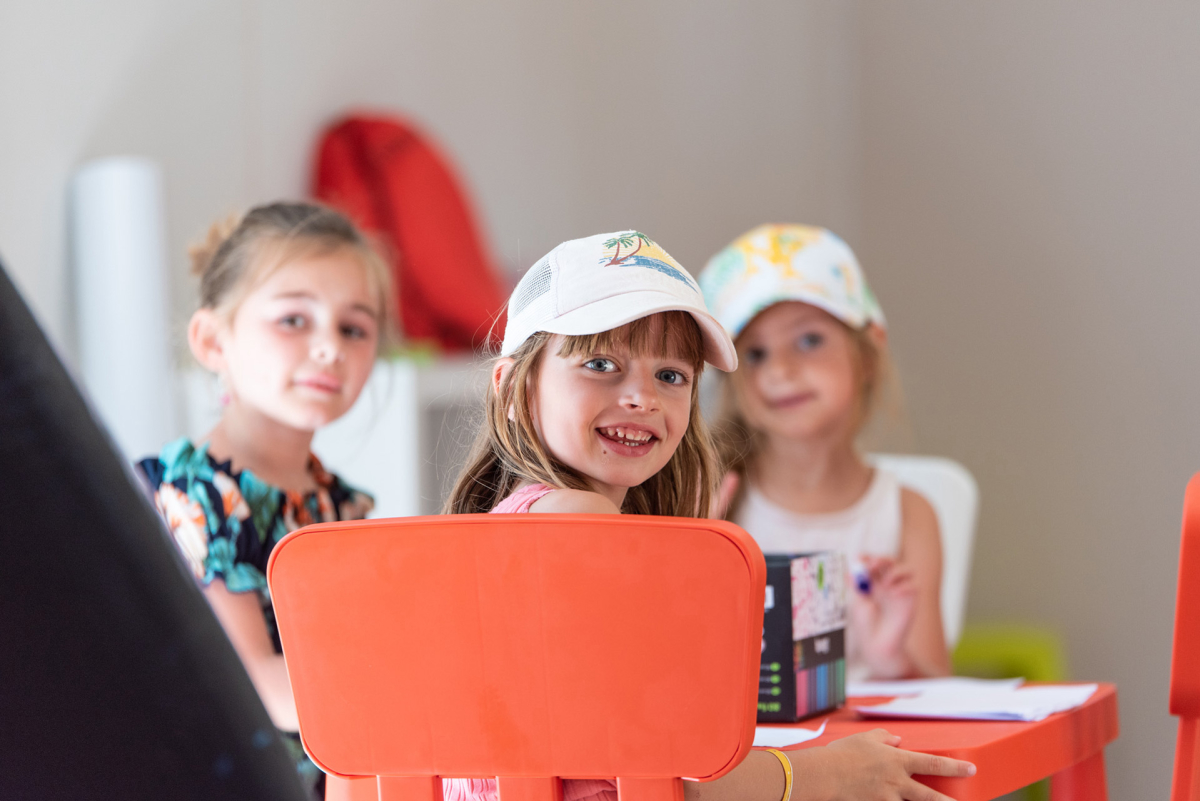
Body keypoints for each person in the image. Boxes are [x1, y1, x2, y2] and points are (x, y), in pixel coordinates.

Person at [444, 231, 974, 801]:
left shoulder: (531, 516)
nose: (642, 398)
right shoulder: (578, 520)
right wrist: (832, 773)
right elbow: (660, 774)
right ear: (513, 388)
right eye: (600, 363)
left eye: (671, 376)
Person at [139, 201, 391, 798]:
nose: (329, 347)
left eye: (353, 328)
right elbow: (254, 682)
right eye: (294, 320)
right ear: (212, 340)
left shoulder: (337, 503)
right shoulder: (200, 496)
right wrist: (410, 699)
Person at [698, 224, 950, 681]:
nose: (780, 370)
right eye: (755, 354)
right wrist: (690, 562)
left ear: (867, 354)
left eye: (809, 340)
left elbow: (938, 698)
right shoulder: (710, 502)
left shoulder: (910, 515)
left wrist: (892, 661)